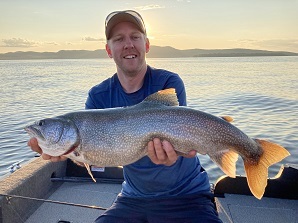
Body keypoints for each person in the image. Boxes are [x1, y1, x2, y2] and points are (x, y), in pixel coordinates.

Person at [28, 10, 222, 223]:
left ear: (146, 45)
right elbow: (92, 160)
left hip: (187, 195)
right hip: (133, 198)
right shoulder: (98, 96)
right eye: (119, 39)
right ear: (108, 50)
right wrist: (69, 155)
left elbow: (182, 139)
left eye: (135, 37)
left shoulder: (169, 82)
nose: (128, 44)